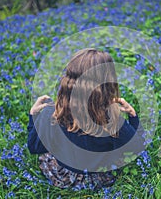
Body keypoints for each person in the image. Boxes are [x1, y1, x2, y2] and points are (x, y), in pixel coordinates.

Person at [27, 48, 143, 190]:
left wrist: (33, 116)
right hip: (99, 179)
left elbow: (34, 147)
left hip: (63, 176)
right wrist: (133, 117)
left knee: (47, 155)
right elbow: (136, 147)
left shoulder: (52, 113)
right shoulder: (112, 121)